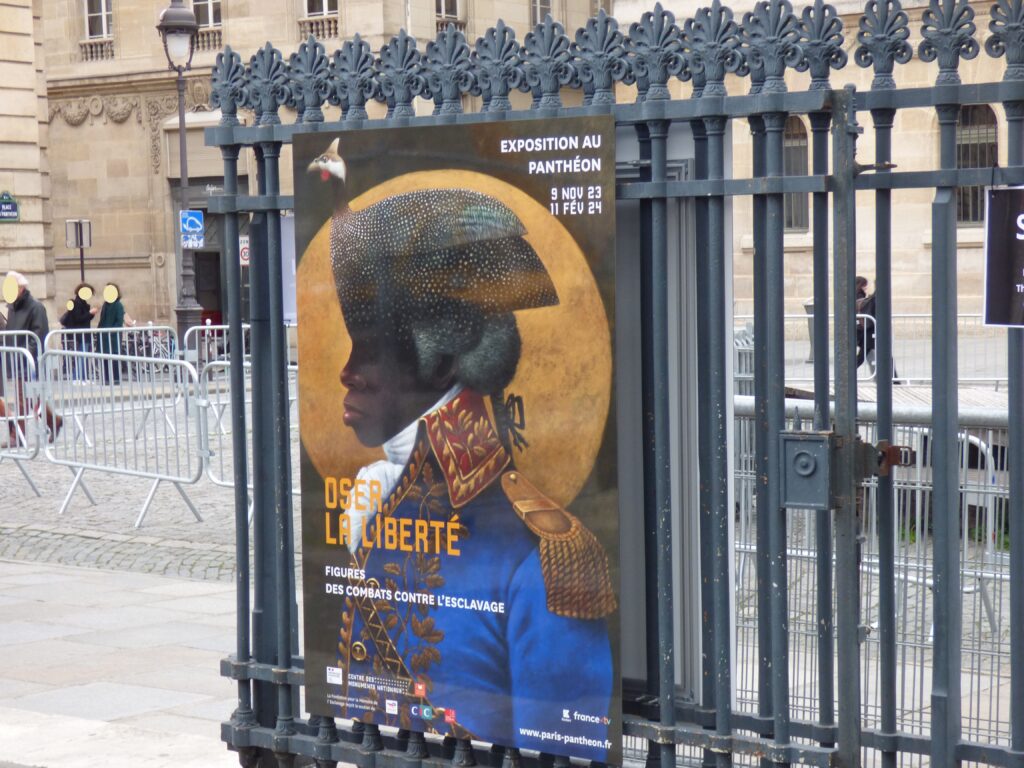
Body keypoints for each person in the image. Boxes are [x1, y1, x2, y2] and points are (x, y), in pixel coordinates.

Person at [316, 186, 615, 761]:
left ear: (446, 356)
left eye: (372, 347)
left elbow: (562, 748)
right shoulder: (376, 503)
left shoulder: (547, 562)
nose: (348, 371)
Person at [3, 271, 61, 440]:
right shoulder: (13, 307)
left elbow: (39, 334)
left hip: (29, 360)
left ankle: (17, 436)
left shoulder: (35, 307)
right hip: (17, 359)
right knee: (32, 398)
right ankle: (54, 421)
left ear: (21, 288)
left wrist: (26, 355)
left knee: (23, 399)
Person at [97, 283, 133, 384]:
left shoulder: (118, 305)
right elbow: (101, 320)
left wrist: (111, 331)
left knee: (114, 358)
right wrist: (98, 331)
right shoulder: (105, 305)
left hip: (113, 336)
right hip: (104, 336)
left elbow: (119, 321)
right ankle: (106, 379)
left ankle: (116, 379)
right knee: (105, 357)